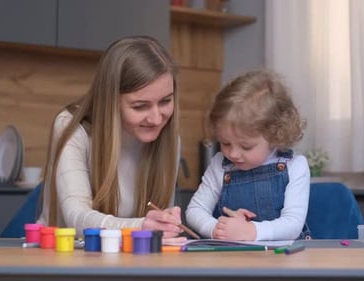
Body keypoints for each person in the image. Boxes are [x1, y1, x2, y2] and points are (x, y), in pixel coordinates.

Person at [37, 36, 185, 243]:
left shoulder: (169, 139)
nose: (156, 118)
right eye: (140, 106)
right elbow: (76, 217)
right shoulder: (71, 127)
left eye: (165, 101)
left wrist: (164, 225)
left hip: (126, 259)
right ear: (111, 101)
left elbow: (159, 223)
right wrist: (141, 227)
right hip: (63, 258)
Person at [186, 69, 310, 241]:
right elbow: (194, 210)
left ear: (276, 135)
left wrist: (252, 231)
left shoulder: (295, 166)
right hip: (233, 258)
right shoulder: (220, 165)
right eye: (225, 143)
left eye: (246, 146)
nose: (233, 154)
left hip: (283, 260)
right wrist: (215, 229)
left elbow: (293, 224)